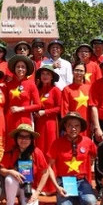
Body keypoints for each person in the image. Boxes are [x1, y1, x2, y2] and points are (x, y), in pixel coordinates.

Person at [47, 112, 98, 205]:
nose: (73, 129)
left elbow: (97, 154)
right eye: (70, 125)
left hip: (81, 181)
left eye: (76, 126)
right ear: (65, 126)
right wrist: (57, 187)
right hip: (64, 182)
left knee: (91, 203)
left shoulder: (87, 141)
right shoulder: (57, 143)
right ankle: (66, 199)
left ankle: (76, 199)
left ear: (81, 127)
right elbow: (49, 167)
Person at [0, 124, 50, 205]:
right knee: (10, 179)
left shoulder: (36, 152)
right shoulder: (11, 151)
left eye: (27, 137)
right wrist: (11, 171)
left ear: (31, 139)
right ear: (16, 138)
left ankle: (22, 202)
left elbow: (45, 172)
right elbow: (2, 170)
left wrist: (38, 193)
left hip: (29, 187)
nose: (24, 140)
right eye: (21, 137)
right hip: (14, 186)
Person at [4, 55, 41, 150]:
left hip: (25, 119)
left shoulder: (31, 85)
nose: (20, 69)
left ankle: (25, 165)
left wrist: (22, 108)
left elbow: (38, 105)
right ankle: (11, 164)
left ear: (26, 69)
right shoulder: (8, 85)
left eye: (23, 67)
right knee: (11, 143)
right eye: (18, 67)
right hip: (10, 119)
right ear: (14, 69)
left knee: (25, 143)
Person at [35, 65, 61, 194]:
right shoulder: (37, 90)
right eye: (43, 73)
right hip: (38, 124)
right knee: (39, 152)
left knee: (50, 152)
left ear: (52, 77)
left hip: (50, 124)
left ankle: (50, 186)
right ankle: (39, 184)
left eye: (48, 74)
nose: (45, 76)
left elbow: (59, 108)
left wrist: (45, 112)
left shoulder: (55, 90)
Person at [61, 61, 91, 137]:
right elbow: (64, 110)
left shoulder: (90, 88)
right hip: (72, 126)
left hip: (86, 124)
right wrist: (66, 127)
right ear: (73, 72)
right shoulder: (67, 89)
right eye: (76, 70)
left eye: (81, 71)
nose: (79, 73)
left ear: (85, 73)